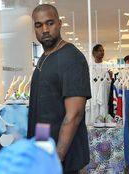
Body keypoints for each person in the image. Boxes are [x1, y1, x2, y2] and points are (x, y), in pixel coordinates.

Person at [27, 4, 91, 174]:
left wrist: (57, 157)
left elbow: (74, 115)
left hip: (63, 161)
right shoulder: (44, 57)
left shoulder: (72, 58)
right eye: (39, 25)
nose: (45, 29)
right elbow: (44, 111)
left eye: (50, 23)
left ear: (60, 23)